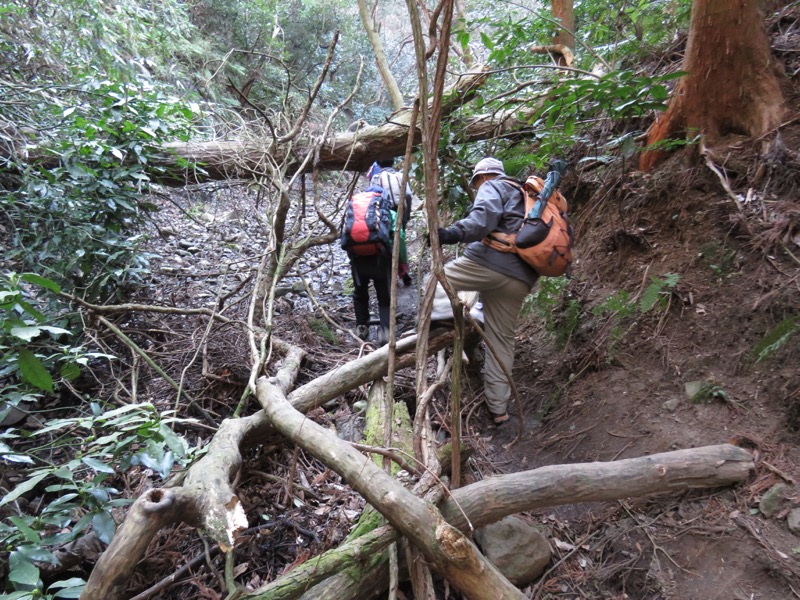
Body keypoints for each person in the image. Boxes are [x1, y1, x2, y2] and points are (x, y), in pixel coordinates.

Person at [435, 157, 539, 425]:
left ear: (481, 178)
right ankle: (499, 409)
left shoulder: (492, 186)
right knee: (501, 341)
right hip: (521, 277)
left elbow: (483, 218)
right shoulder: (527, 195)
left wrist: (452, 233)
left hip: (489, 263)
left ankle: (444, 324)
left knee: (437, 279)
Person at [344, 183, 407, 346]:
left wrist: (353, 257)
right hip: (380, 259)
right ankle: (385, 331)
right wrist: (401, 264)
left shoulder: (355, 212)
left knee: (359, 293)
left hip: (358, 260)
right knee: (384, 298)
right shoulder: (389, 213)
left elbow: (344, 234)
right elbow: (399, 237)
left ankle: (361, 327)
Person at [367, 159, 414, 286]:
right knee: (400, 239)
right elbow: (408, 195)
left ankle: (389, 272)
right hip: (400, 211)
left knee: (384, 240)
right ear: (393, 163)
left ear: (379, 164)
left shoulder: (376, 178)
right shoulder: (400, 175)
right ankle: (403, 269)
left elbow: (373, 196)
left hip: (383, 213)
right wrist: (407, 213)